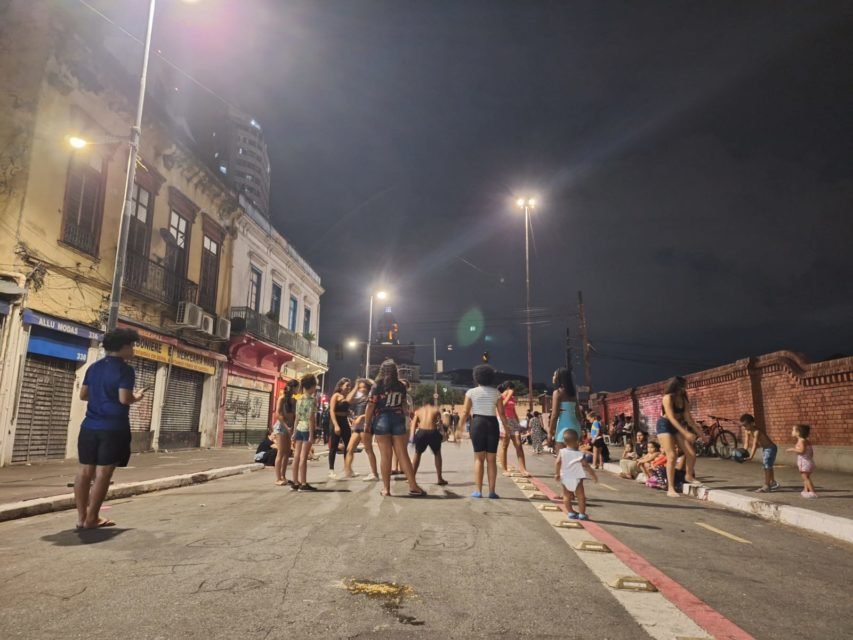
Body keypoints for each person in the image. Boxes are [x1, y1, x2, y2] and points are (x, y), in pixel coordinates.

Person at [74, 329, 145, 529]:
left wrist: (101, 397)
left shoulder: (93, 367)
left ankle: (80, 518)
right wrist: (137, 397)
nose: (133, 349)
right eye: (132, 345)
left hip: (88, 427)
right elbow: (124, 398)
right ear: (123, 347)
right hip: (113, 427)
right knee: (103, 473)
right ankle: (92, 518)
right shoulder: (125, 370)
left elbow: (84, 395)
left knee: (84, 472)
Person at [364, 360, 424, 497]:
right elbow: (404, 406)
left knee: (385, 456)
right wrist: (406, 419)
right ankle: (413, 486)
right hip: (398, 419)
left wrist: (367, 424)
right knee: (402, 454)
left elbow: (371, 405)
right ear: (395, 371)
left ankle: (386, 489)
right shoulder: (401, 386)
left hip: (382, 419)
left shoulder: (377, 385)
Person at [457, 364, 508, 499]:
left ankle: (478, 491)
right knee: (491, 459)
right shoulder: (497, 393)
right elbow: (502, 414)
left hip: (478, 423)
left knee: (479, 458)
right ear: (491, 377)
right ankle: (492, 491)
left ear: (476, 377)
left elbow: (465, 412)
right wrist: (508, 430)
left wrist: (459, 428)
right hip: (492, 424)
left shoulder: (471, 392)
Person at [655, 376, 699, 497]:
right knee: (672, 455)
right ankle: (670, 488)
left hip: (677, 425)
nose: (686, 387)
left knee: (691, 453)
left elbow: (689, 419)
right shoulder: (667, 398)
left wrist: (701, 434)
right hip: (664, 425)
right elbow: (671, 417)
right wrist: (685, 433)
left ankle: (688, 476)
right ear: (677, 386)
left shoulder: (684, 399)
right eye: (684, 385)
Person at [555, 430, 598, 520]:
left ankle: (570, 512)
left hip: (565, 478)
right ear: (577, 442)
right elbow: (586, 465)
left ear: (564, 442)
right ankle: (582, 514)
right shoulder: (579, 454)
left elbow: (558, 462)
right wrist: (593, 475)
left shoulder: (562, 451)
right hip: (577, 479)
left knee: (566, 496)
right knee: (581, 497)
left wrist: (557, 473)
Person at [344, 379, 378, 480]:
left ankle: (374, 473)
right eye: (360, 388)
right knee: (349, 448)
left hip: (366, 425)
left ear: (368, 388)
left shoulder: (371, 398)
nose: (362, 389)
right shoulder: (359, 398)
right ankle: (348, 471)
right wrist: (355, 386)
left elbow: (373, 412)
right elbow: (348, 400)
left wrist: (361, 417)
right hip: (357, 426)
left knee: (368, 449)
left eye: (363, 387)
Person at [497, 382, 531, 477]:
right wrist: (509, 395)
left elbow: (513, 410)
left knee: (518, 444)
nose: (513, 391)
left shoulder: (512, 397)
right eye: (512, 389)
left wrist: (519, 424)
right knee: (505, 445)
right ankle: (505, 469)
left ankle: (523, 469)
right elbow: (501, 407)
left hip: (513, 420)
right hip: (504, 420)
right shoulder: (500, 396)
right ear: (508, 388)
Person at [291, 374, 318, 492]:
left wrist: (293, 432)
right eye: (315, 387)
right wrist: (312, 435)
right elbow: (311, 418)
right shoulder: (312, 400)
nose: (315, 389)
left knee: (296, 456)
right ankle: (303, 482)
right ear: (311, 386)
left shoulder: (299, 399)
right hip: (307, 429)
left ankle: (295, 481)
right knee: (303, 457)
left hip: (299, 428)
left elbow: (296, 417)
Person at [411, 401, 448, 485]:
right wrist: (444, 434)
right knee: (437, 453)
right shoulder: (436, 410)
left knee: (417, 453)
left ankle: (411, 477)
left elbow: (413, 424)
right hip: (432, 432)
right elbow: (440, 423)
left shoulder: (418, 411)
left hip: (421, 432)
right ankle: (439, 478)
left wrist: (412, 436)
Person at [740, 413, 779, 493]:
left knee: (767, 466)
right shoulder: (747, 431)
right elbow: (746, 443)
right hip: (765, 449)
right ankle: (772, 482)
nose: (745, 427)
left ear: (752, 423)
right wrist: (743, 452)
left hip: (771, 448)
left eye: (746, 425)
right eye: (743, 425)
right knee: (768, 465)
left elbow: (754, 445)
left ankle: (767, 486)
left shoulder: (756, 431)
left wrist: (751, 456)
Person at [548, 367, 582, 452]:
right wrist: (581, 429)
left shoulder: (557, 393)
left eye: (554, 375)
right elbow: (578, 414)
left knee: (562, 459)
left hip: (563, 428)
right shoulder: (573, 394)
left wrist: (550, 432)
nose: (553, 377)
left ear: (559, 378)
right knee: (573, 459)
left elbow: (554, 415)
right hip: (575, 428)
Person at [272, 380, 297, 486]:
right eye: (297, 387)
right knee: (281, 452)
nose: (298, 389)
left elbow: (295, 415)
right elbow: (278, 413)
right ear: (292, 387)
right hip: (282, 427)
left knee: (287, 453)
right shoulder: (282, 398)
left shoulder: (294, 400)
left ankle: (283, 475)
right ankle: (278, 478)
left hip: (290, 428)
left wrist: (293, 428)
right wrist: (287, 427)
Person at [328, 378, 353, 479]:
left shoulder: (345, 396)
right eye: (347, 385)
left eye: (349, 385)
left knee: (348, 446)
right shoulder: (336, 396)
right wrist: (336, 425)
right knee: (333, 447)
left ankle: (347, 468)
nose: (348, 387)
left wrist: (349, 413)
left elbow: (345, 410)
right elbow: (332, 411)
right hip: (336, 422)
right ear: (341, 386)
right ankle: (331, 470)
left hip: (345, 421)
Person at [788, 424, 817, 498]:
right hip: (808, 461)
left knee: (805, 478)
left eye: (793, 430)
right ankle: (806, 490)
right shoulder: (806, 441)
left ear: (798, 432)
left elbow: (802, 451)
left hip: (804, 463)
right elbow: (811, 452)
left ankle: (812, 492)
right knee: (806, 477)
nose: (792, 432)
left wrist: (793, 449)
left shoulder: (801, 441)